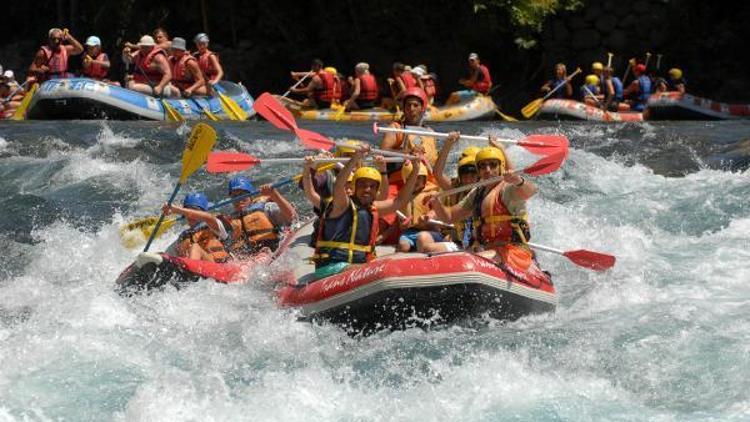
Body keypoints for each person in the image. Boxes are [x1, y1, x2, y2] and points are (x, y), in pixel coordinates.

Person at [312, 145, 421, 271]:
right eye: (362, 185)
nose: (367, 189)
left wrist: (416, 169)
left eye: (372, 186)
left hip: (360, 267)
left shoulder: (374, 209)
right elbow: (338, 186)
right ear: (354, 187)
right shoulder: (342, 204)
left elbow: (400, 200)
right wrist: (356, 157)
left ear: (376, 191)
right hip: (331, 266)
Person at [431, 146, 536, 270]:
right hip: (487, 248)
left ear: (500, 167)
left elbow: (530, 192)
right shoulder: (477, 192)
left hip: (512, 251)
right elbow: (449, 217)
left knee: (467, 262)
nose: (487, 170)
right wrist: (436, 204)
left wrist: (518, 180)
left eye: (492, 165)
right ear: (479, 170)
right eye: (482, 166)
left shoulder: (508, 188)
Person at [222, 176, 296, 257]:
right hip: (248, 260)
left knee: (261, 256)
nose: (239, 199)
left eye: (242, 194)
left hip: (271, 252)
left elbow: (291, 216)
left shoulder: (266, 207)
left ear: (251, 196)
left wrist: (274, 194)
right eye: (234, 196)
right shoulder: (231, 220)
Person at [163, 192, 230, 263]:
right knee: (162, 255)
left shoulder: (214, 225)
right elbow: (167, 255)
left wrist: (178, 210)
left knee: (195, 248)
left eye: (195, 210)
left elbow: (208, 217)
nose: (190, 215)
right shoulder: (184, 236)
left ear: (202, 212)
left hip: (219, 267)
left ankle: (190, 271)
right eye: (188, 210)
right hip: (197, 269)